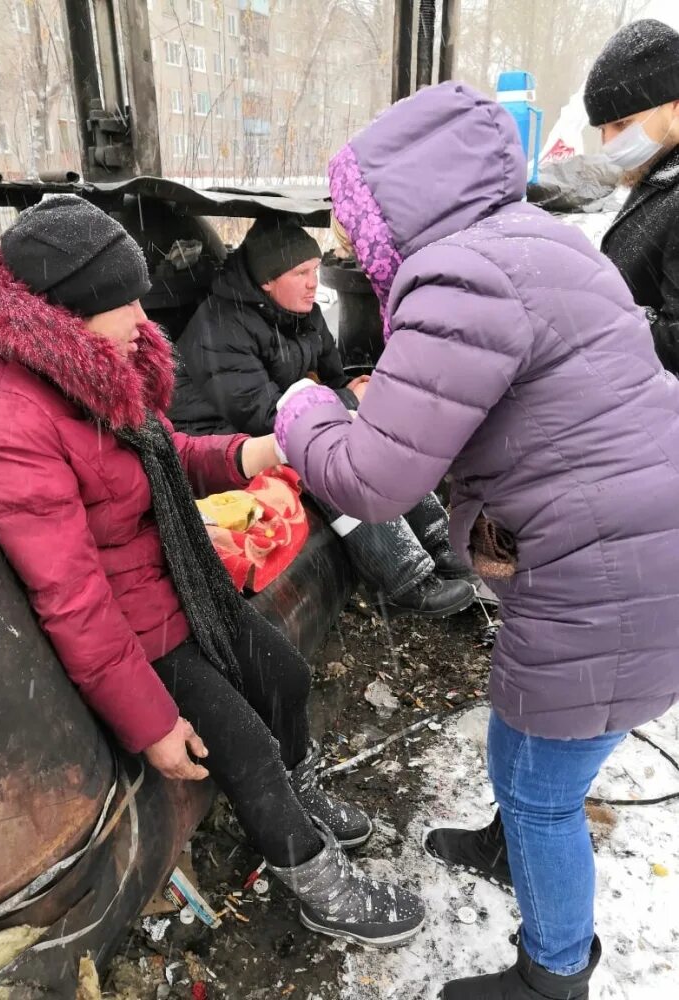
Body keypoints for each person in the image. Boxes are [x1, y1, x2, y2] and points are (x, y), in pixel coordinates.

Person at [0, 195, 424, 948]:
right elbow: (72, 598)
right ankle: (315, 880)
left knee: (283, 677)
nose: (142, 316)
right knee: (244, 744)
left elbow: (165, 454)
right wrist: (153, 723)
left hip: (177, 581)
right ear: (67, 310)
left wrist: (252, 454)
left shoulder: (86, 359)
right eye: (123, 301)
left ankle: (302, 793)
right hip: (129, 627)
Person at [273, 83, 679, 998]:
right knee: (529, 741)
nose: (346, 243)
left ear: (399, 204)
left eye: (353, 219)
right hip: (637, 542)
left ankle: (554, 971)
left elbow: (375, 480)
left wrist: (305, 413)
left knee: (545, 786)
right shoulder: (538, 243)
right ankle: (514, 848)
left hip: (610, 572)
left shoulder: (455, 276)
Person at [170, 216, 476, 620]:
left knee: (375, 430)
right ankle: (405, 579)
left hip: (285, 416)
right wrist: (349, 398)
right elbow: (262, 417)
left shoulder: (303, 312)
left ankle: (437, 540)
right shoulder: (221, 329)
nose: (314, 282)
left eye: (315, 270)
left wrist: (360, 397)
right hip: (221, 441)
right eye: (300, 273)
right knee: (324, 462)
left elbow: (331, 379)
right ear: (266, 281)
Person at [586, 18, 679, 374]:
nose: (609, 142)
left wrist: (597, 313)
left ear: (673, 104)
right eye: (602, 129)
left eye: (622, 124)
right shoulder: (657, 169)